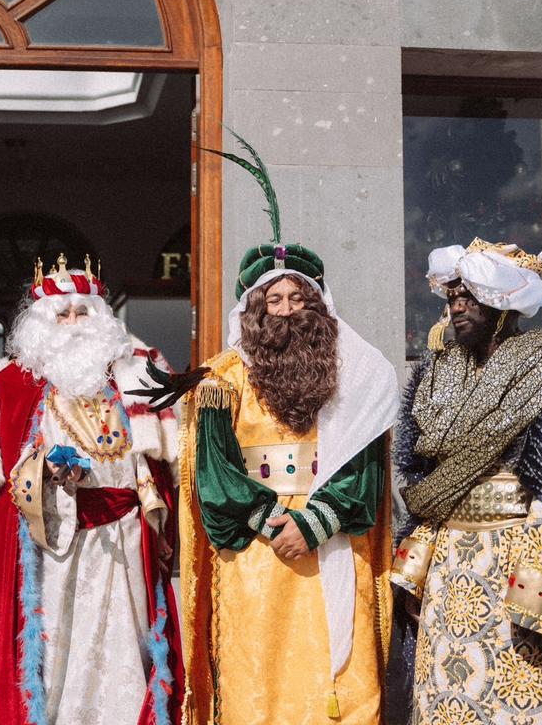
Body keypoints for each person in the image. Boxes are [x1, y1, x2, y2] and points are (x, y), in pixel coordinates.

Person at [163, 131, 399, 724]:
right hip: (259, 554)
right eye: (275, 300)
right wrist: (276, 523)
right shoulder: (221, 379)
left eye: (299, 298)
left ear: (317, 305)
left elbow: (364, 468)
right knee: (257, 684)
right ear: (254, 308)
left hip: (332, 542)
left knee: (337, 681)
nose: (287, 309)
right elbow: (213, 475)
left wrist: (314, 523)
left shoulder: (357, 376)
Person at [391, 239, 542, 725]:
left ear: (503, 301)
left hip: (519, 564)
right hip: (447, 573)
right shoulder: (437, 373)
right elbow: (424, 484)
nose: (457, 304)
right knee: (442, 695)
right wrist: (416, 571)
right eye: (452, 295)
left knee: (514, 697)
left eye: (471, 294)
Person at [0, 254, 182, 725]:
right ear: (41, 324)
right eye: (61, 314)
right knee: (59, 647)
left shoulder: (136, 369)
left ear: (101, 318)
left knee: (127, 645)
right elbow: (2, 488)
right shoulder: (13, 382)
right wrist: (47, 476)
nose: (73, 323)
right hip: (54, 544)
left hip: (125, 537)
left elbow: (160, 465)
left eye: (82, 311)